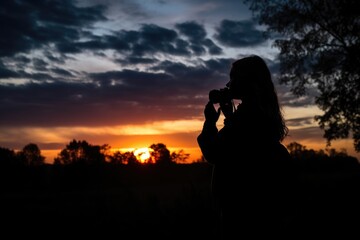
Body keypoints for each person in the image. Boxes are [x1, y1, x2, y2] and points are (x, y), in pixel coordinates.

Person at [197, 55, 297, 239]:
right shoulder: (262, 116)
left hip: (240, 219)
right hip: (265, 219)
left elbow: (214, 152)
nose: (228, 83)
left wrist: (210, 123)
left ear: (248, 81)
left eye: (234, 77)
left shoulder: (245, 120)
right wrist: (231, 117)